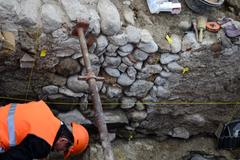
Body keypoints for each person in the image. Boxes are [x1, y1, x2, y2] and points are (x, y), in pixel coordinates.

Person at [0, 100, 89, 160]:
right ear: (63, 140)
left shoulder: (44, 109)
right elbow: (12, 157)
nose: (60, 151)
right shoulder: (43, 144)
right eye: (65, 150)